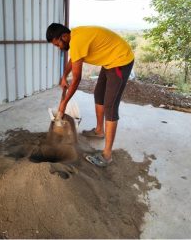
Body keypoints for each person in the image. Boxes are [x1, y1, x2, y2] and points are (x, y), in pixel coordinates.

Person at [46, 23, 134, 167]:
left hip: (120, 61)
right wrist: (64, 76)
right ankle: (99, 131)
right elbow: (73, 59)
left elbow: (76, 79)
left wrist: (64, 104)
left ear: (64, 36)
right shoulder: (73, 37)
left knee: (110, 106)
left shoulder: (77, 40)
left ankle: (107, 155)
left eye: (58, 44)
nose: (59, 48)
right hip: (109, 61)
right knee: (99, 95)